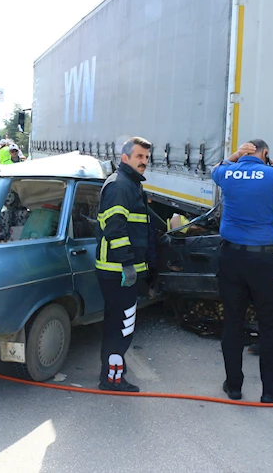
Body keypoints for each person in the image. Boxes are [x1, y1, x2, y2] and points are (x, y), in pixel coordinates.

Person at [212, 139, 273, 403]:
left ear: (244, 154)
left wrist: (236, 155)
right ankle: (272, 390)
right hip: (263, 262)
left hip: (231, 258)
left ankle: (234, 385)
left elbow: (218, 166)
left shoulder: (227, 172)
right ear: (266, 154)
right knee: (270, 325)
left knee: (232, 322)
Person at [95, 136, 152, 393]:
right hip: (118, 271)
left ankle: (112, 373)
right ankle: (112, 379)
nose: (144, 162)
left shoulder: (130, 185)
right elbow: (115, 229)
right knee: (121, 325)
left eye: (147, 158)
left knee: (119, 323)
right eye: (139, 156)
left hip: (121, 269)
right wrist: (128, 264)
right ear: (125, 158)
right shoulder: (120, 186)